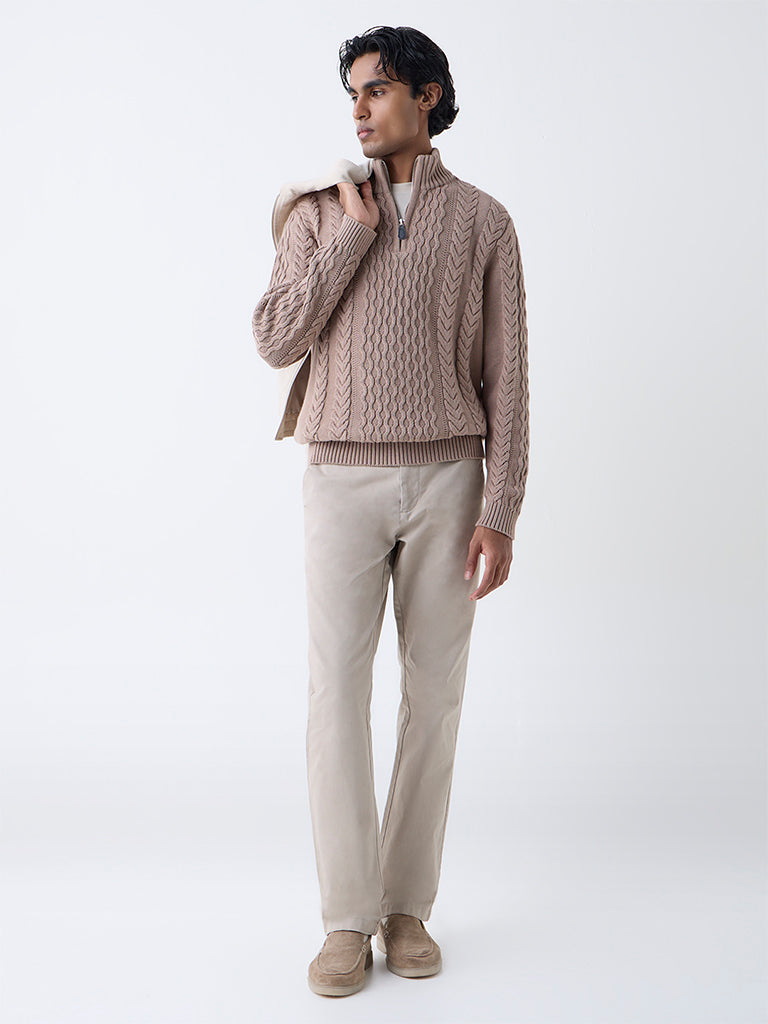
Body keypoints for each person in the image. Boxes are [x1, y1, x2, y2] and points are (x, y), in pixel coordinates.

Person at [252, 24, 530, 998]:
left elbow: (508, 376)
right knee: (336, 695)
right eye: (353, 95)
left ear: (428, 94)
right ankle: (346, 918)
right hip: (340, 478)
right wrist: (351, 236)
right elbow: (274, 338)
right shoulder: (317, 211)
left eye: (376, 89)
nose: (360, 109)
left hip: (451, 480)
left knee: (435, 697)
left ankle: (407, 908)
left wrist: (502, 506)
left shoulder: (485, 222)